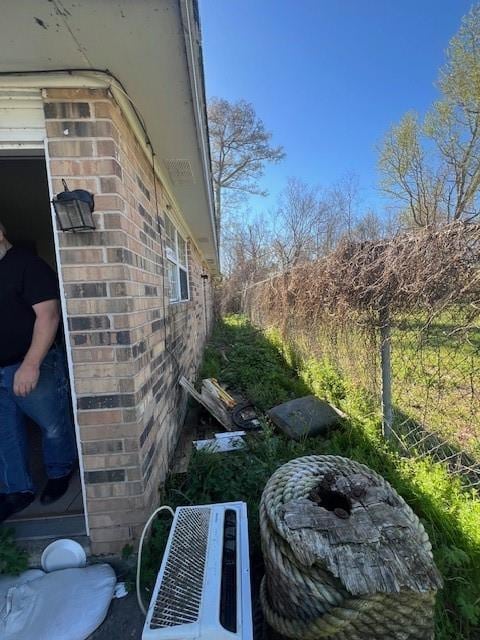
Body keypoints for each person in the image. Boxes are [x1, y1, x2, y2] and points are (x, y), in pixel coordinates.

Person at [0, 220, 76, 522]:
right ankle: (18, 490)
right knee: (6, 433)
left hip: (34, 364)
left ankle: (59, 473)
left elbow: (49, 315)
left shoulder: (28, 265)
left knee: (52, 425)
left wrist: (30, 364)